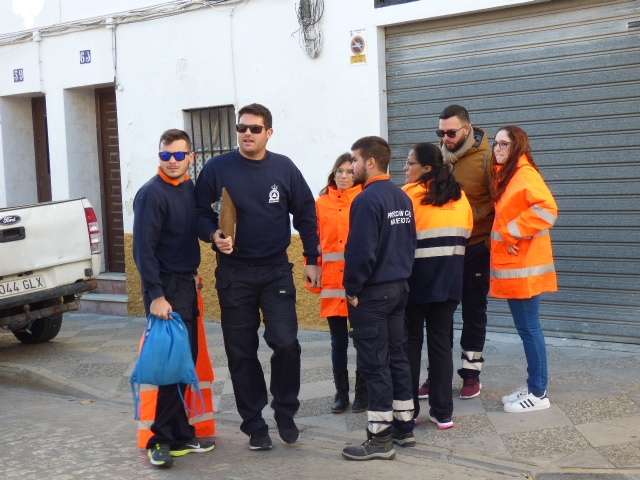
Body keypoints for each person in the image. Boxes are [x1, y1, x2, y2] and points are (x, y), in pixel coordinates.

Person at [194, 103, 320, 450]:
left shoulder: (284, 168)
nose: (247, 134)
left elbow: (306, 212)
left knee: (286, 343)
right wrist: (213, 235)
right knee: (241, 351)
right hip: (234, 273)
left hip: (276, 269)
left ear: (269, 132)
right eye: (242, 128)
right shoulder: (218, 169)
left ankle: (285, 412)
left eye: (255, 128)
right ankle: (254, 425)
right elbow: (198, 212)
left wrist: (312, 258)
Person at [133, 128, 215, 468]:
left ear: (190, 158)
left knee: (185, 361)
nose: (172, 161)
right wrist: (156, 295)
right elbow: (143, 250)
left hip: (186, 286)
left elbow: (193, 228)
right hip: (165, 290)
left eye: (179, 155)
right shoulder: (151, 194)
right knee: (169, 366)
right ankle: (160, 440)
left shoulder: (188, 189)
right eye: (165, 155)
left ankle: (181, 434)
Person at [341, 136, 416, 461]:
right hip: (399, 288)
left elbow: (361, 252)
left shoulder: (366, 200)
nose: (352, 166)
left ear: (370, 162)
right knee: (397, 357)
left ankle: (380, 439)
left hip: (372, 294)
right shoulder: (402, 197)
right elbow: (409, 243)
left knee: (375, 364)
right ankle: (404, 428)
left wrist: (352, 289)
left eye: (355, 161)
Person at [418, 104, 493, 400]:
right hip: (443, 249)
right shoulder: (437, 158)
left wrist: (488, 243)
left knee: (474, 311)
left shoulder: (486, 158)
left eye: (451, 133)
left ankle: (471, 374)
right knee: (439, 314)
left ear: (467, 128)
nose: (445, 139)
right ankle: (437, 376)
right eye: (441, 133)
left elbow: (499, 202)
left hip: (475, 247)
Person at [402, 143, 473, 430]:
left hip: (414, 282)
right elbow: (467, 232)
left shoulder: (408, 196)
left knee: (410, 345)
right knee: (442, 345)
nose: (405, 168)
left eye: (410, 163)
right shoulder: (460, 196)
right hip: (449, 281)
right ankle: (443, 413)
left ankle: (407, 412)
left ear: (426, 168)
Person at [489, 125, 558, 413]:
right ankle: (533, 386)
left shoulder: (524, 174)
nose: (497, 148)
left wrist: (512, 233)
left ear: (517, 146)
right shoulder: (508, 175)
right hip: (517, 267)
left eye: (504, 144)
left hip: (525, 268)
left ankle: (539, 393)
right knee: (526, 329)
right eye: (495, 143)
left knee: (530, 329)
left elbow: (547, 210)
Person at [310, 153, 366, 414]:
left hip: (359, 282)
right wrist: (313, 271)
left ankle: (363, 392)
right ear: (333, 174)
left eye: (349, 171)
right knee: (338, 342)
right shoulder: (321, 203)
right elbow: (314, 240)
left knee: (363, 340)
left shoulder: (364, 199)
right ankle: (341, 394)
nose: (344, 176)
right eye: (339, 171)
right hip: (333, 282)